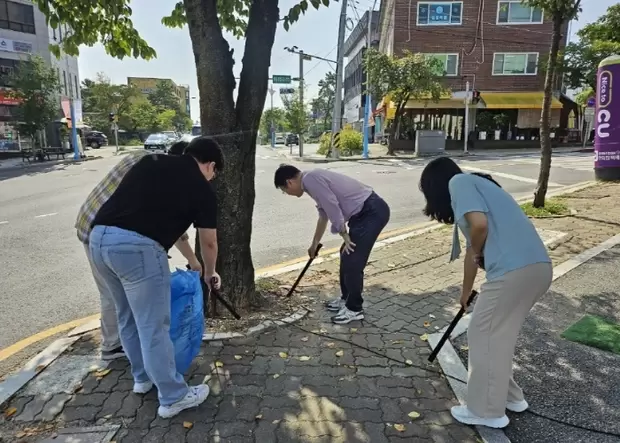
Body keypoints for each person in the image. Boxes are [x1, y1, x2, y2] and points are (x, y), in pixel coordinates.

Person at [88, 137, 223, 419]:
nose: (211, 178)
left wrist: (193, 261)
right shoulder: (201, 188)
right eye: (214, 173)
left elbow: (160, 219)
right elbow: (209, 242)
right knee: (154, 326)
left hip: (98, 240)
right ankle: (173, 396)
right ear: (210, 165)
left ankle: (142, 378)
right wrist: (209, 272)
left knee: (126, 316)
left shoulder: (151, 161)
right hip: (137, 250)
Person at [419, 157, 552, 429]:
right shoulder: (478, 188)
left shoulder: (459, 182)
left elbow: (479, 228)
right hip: (537, 268)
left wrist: (480, 251)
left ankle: (487, 411)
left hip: (512, 270)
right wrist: (465, 292)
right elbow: (472, 250)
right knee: (497, 338)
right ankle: (511, 398)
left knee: (481, 334)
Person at [75, 141, 199, 361]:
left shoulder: (145, 158)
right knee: (116, 296)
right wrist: (193, 260)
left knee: (119, 297)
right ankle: (113, 346)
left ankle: (131, 355)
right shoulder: (160, 173)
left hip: (93, 225)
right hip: (101, 230)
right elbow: (174, 227)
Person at [274, 165, 390, 324]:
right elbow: (324, 214)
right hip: (363, 214)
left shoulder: (310, 179)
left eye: (283, 190)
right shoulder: (310, 181)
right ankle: (346, 299)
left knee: (352, 260)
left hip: (372, 212)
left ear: (289, 183)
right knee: (346, 255)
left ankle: (355, 309)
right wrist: (314, 244)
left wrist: (343, 233)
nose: (287, 193)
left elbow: (332, 205)